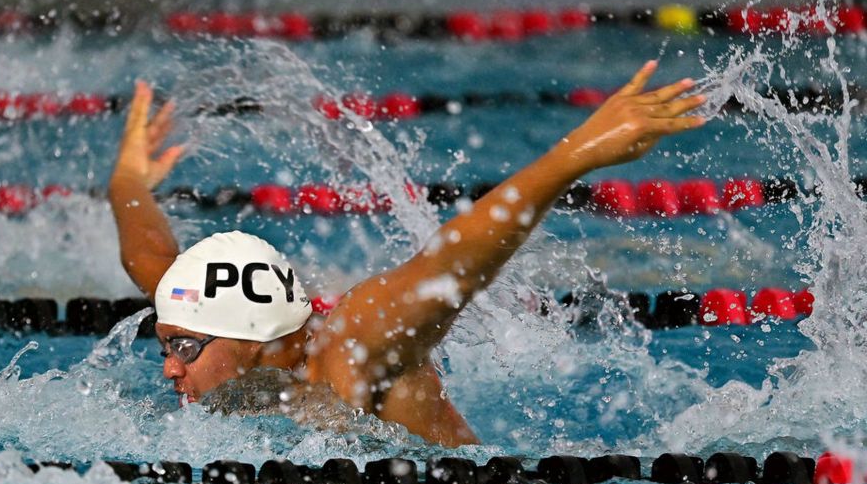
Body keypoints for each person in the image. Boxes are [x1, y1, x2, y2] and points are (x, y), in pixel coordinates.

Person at [108, 61, 706, 447]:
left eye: (183, 348)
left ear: (250, 336)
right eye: (166, 344)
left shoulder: (357, 347)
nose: (168, 367)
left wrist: (578, 154)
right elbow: (150, 253)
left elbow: (450, 266)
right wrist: (127, 180)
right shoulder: (209, 325)